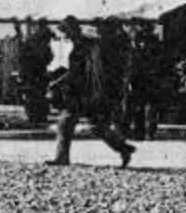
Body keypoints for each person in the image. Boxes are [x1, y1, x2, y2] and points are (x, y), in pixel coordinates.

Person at [47, 15, 135, 169]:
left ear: (70, 30)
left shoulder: (81, 46)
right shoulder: (85, 44)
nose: (64, 36)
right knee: (97, 126)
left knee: (65, 123)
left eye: (65, 32)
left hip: (83, 92)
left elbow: (78, 72)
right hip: (89, 91)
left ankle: (62, 157)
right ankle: (123, 148)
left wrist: (57, 82)